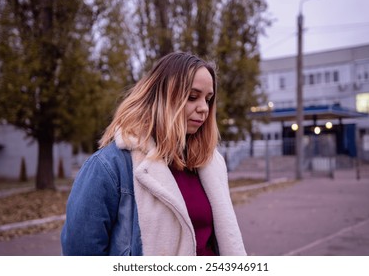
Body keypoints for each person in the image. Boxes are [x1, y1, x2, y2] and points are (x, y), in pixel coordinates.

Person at [61, 52, 246, 256]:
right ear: (161, 97)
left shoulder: (210, 163)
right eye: (192, 97)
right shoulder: (109, 166)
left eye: (208, 99)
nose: (204, 108)